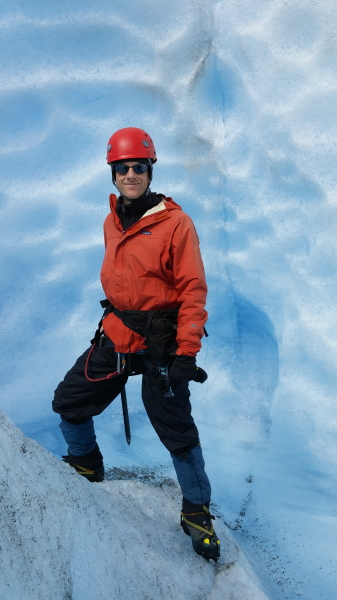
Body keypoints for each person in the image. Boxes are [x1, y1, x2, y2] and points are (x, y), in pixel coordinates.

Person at [52, 127, 220, 561]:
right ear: (112, 173)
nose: (131, 174)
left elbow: (192, 290)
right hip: (117, 333)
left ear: (150, 170)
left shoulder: (175, 223)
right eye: (122, 168)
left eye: (138, 167)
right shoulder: (113, 219)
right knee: (70, 401)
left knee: (178, 432)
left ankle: (197, 511)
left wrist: (186, 353)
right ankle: (87, 463)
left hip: (162, 344)